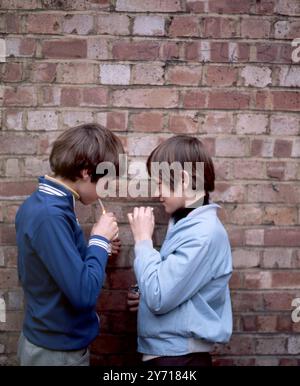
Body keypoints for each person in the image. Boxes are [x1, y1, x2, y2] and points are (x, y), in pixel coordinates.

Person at [16, 124, 123, 366]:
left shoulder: (50, 204)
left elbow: (57, 269)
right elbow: (84, 293)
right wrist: (99, 240)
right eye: (106, 180)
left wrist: (99, 249)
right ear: (86, 172)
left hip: (54, 344)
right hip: (55, 352)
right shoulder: (50, 215)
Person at [127, 135, 232, 367]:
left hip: (180, 358)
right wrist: (144, 293)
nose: (156, 192)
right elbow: (177, 288)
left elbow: (160, 297)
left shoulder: (203, 234)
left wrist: (143, 241)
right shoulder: (186, 223)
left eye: (159, 182)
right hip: (172, 354)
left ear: (183, 179)